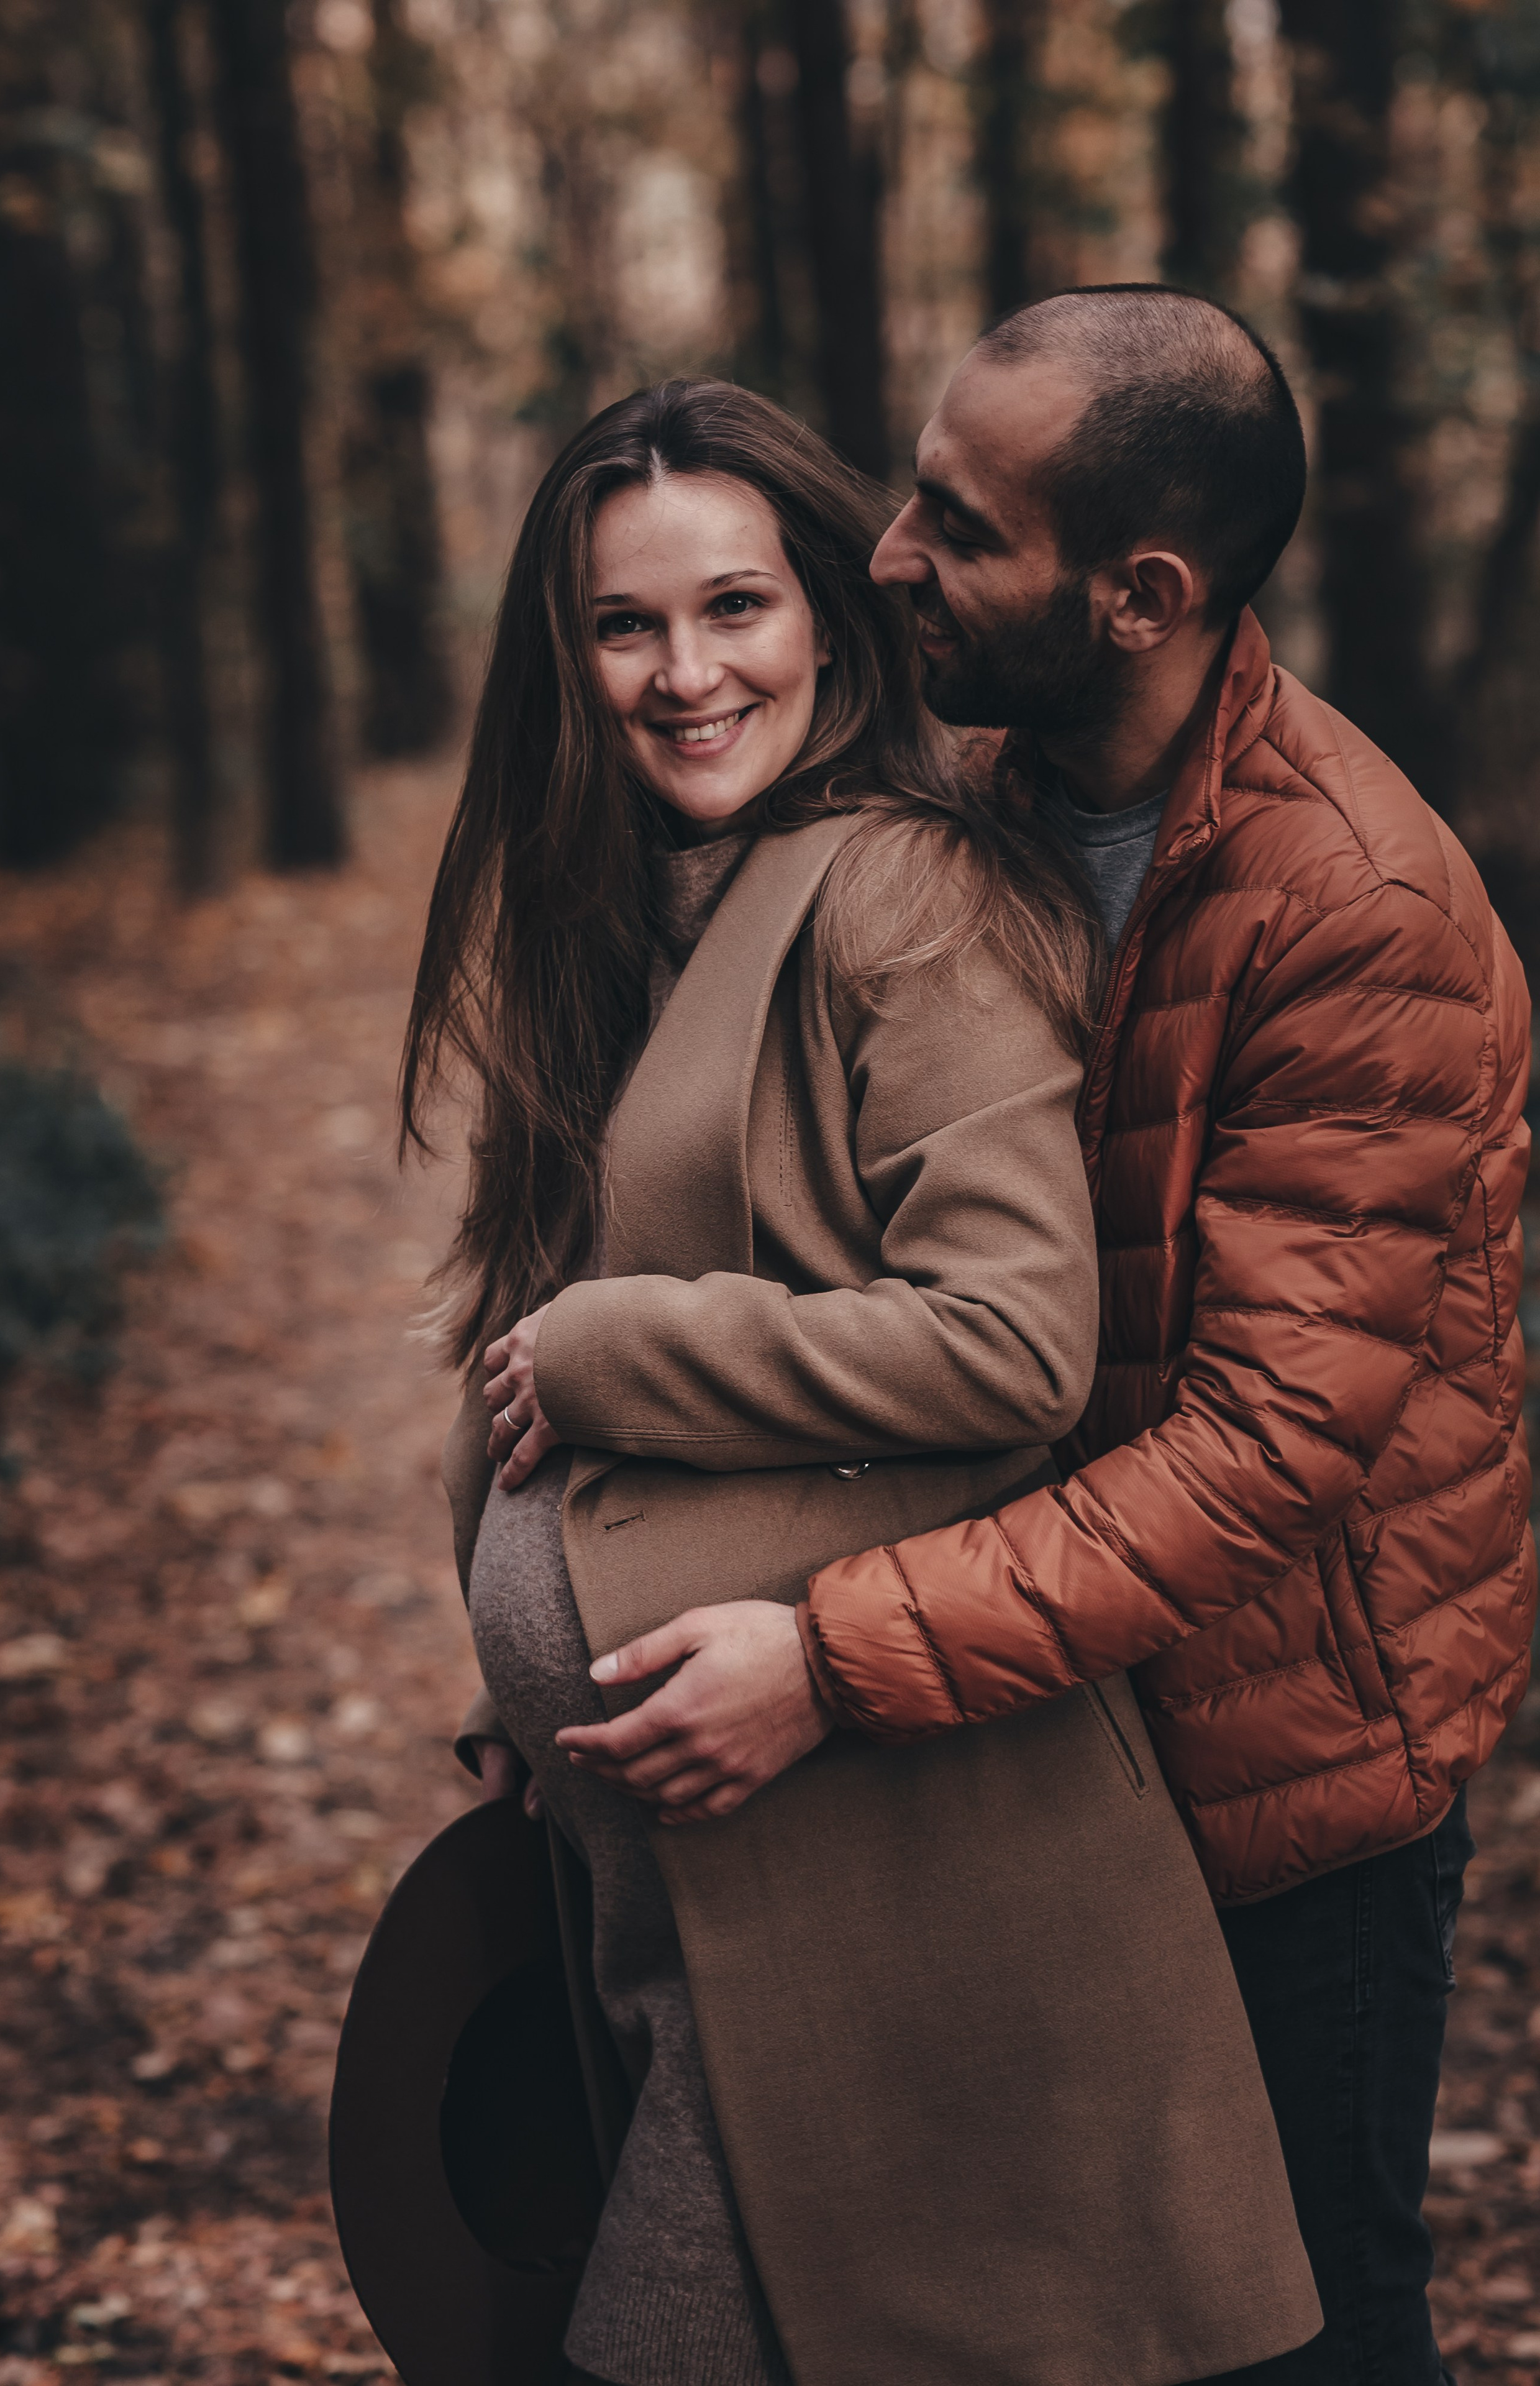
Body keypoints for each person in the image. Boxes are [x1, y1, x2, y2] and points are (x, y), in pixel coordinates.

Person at [566, 294, 1536, 2385]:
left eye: (958, 523)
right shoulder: (968, 800)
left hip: (1286, 1762)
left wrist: (829, 1659)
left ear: (1141, 595)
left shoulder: (1355, 912)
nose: (891, 552)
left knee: (1305, 2332)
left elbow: (1264, 1454)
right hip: (1027, 1737)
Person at [404, 375, 1322, 2386]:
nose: (681, 672)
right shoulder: (644, 908)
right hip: (685, 1893)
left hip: (894, 1883)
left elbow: (1007, 1341)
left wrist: (609, 1355)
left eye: (735, 607)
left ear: (827, 610)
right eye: (624, 625)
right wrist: (514, 1695)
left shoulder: (898, 894)